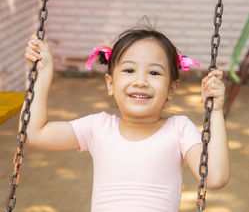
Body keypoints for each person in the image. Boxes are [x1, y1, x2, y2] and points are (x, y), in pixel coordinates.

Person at [22, 27, 230, 212]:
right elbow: (33, 133)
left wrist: (215, 111)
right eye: (129, 70)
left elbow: (214, 177)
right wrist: (42, 75)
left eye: (154, 73)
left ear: (171, 88)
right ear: (110, 83)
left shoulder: (179, 129)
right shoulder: (98, 127)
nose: (140, 81)